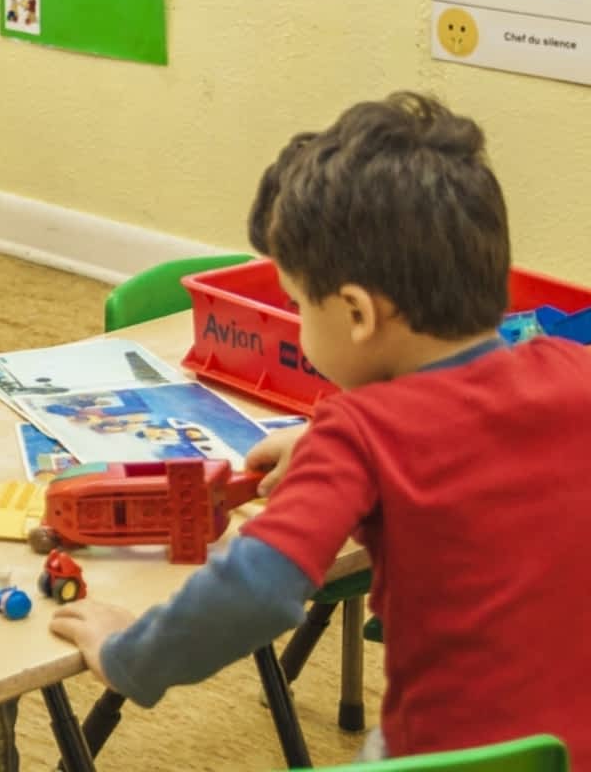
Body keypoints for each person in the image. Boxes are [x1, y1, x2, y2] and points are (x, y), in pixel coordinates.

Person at [50, 93, 591, 764]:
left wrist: (125, 653)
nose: (299, 324)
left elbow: (255, 589)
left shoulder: (360, 430)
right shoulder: (577, 370)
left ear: (358, 313)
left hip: (443, 757)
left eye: (299, 303)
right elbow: (473, 439)